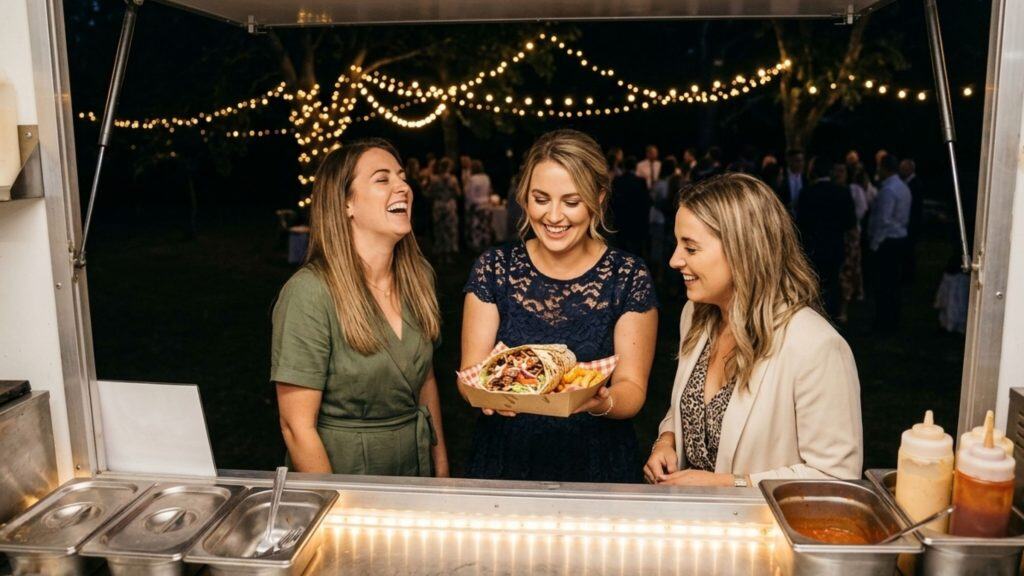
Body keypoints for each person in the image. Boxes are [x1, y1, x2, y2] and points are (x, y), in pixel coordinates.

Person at [460, 129, 658, 482]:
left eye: (571, 201)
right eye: (541, 198)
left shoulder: (627, 277)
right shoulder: (494, 269)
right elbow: (470, 373)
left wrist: (601, 401)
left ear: (597, 199)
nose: (554, 216)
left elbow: (632, 389)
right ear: (524, 197)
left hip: (597, 461)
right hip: (506, 460)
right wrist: (484, 395)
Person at [644, 173, 862, 487]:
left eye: (690, 249)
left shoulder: (816, 347)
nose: (674, 260)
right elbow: (692, 406)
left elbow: (835, 478)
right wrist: (667, 440)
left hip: (763, 530)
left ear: (742, 251)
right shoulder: (695, 315)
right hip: (693, 524)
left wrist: (730, 485)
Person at [272, 138, 448, 477]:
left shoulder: (418, 277)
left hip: (414, 468)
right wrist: (336, 506)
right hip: (345, 472)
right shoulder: (309, 293)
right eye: (383, 179)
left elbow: (424, 377)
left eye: (401, 176)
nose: (403, 187)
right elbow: (296, 427)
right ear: (346, 204)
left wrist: (441, 473)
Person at [797, 158, 856, 319]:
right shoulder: (842, 192)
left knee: (814, 283)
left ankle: (815, 314)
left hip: (813, 246)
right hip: (835, 245)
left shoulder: (807, 192)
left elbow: (800, 223)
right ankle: (831, 314)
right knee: (833, 280)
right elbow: (850, 222)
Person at [868, 154, 912, 332]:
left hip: (888, 242)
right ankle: (891, 320)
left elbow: (883, 221)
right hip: (900, 238)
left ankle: (883, 323)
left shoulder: (889, 190)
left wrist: (874, 244)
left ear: (884, 168)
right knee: (893, 283)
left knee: (884, 284)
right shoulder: (903, 187)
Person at [838, 162, 872, 323]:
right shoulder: (834, 189)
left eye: (841, 171)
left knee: (848, 270)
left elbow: (862, 209)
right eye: (836, 171)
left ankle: (844, 307)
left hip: (850, 235)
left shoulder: (853, 190)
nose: (838, 174)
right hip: (837, 236)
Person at [610, 156, 651, 257]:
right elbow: (645, 202)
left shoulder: (618, 180)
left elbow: (613, 201)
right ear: (635, 167)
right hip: (637, 220)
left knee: (621, 250)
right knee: (636, 251)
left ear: (624, 167)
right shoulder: (641, 181)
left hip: (621, 220)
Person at [427, 157, 460, 265]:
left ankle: (441, 256)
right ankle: (449, 255)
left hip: (439, 205)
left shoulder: (434, 179)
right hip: (449, 205)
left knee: (439, 230)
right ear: (449, 167)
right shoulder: (453, 179)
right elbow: (458, 193)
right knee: (450, 230)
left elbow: (429, 193)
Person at [465, 159, 493, 252]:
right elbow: (489, 192)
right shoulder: (486, 177)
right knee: (485, 230)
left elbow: (470, 196)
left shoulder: (472, 179)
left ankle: (478, 253)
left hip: (477, 208)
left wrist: (468, 208)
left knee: (477, 231)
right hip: (487, 207)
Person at [777, 149, 806, 216]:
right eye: (797, 161)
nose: (801, 164)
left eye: (802, 161)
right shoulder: (782, 176)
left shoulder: (805, 179)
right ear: (790, 161)